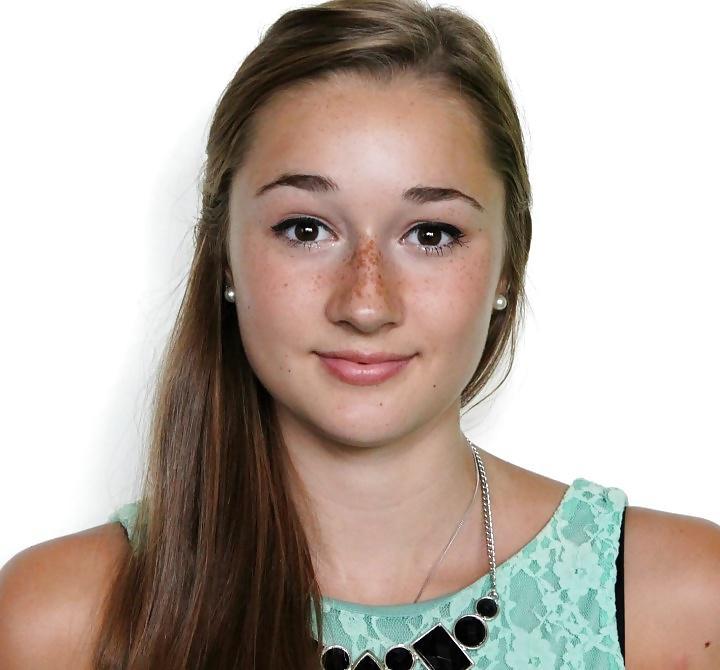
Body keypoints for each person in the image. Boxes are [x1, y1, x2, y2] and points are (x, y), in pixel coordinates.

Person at [1, 1, 719, 668]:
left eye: (431, 234)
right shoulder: (61, 622)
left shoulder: (683, 604)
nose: (366, 303)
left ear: (508, 265)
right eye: (305, 229)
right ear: (222, 255)